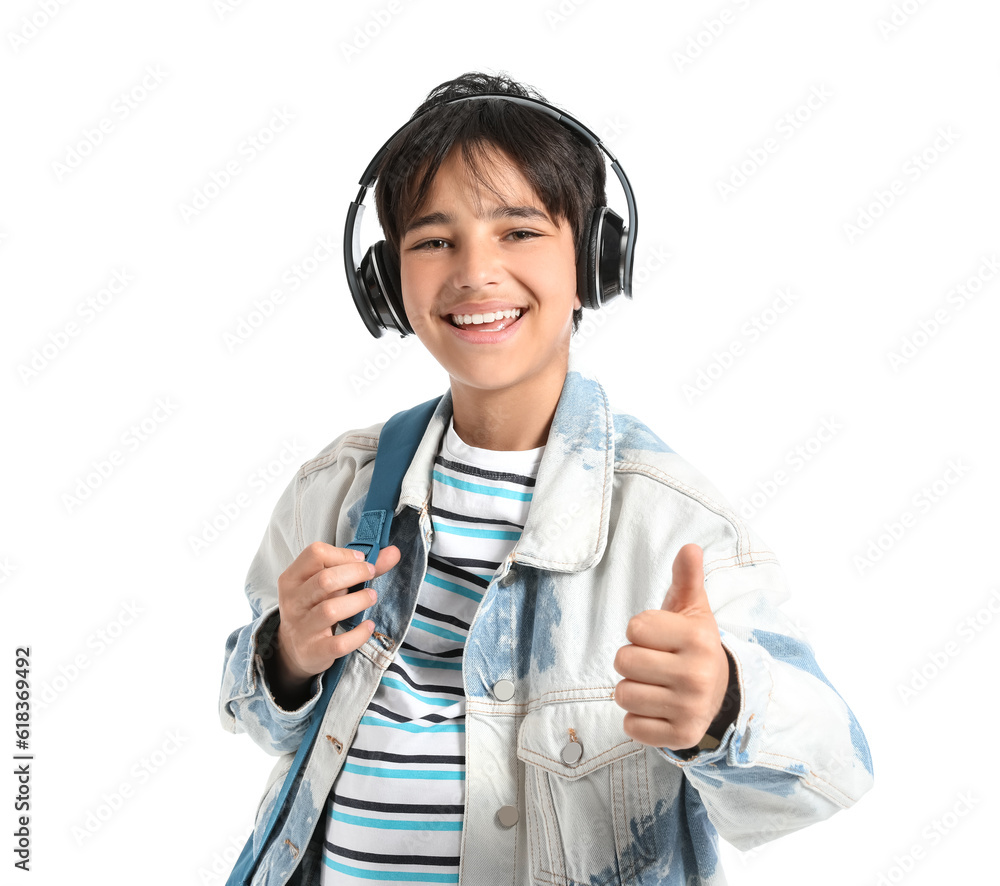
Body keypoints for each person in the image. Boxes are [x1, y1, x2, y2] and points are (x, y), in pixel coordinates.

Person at [219, 71, 873, 886]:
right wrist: (284, 656)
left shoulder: (670, 525)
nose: (474, 272)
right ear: (388, 283)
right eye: (433, 241)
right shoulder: (337, 487)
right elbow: (258, 720)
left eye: (519, 232)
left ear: (594, 262)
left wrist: (725, 705)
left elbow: (833, 774)